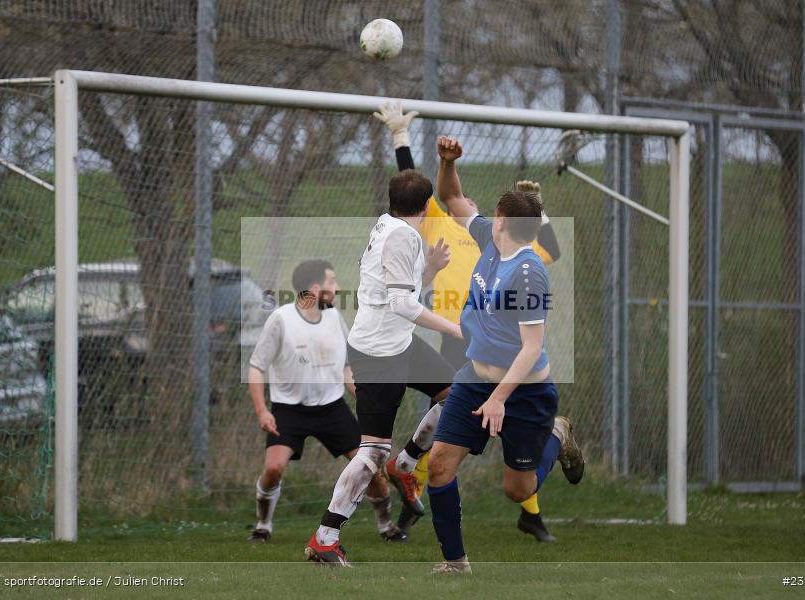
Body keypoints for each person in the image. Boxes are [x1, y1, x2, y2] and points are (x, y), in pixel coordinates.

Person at [373, 101, 583, 543]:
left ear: (504, 222)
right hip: (464, 345)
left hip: (516, 370)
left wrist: (538, 208)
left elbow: (551, 252)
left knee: (515, 483)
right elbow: (433, 193)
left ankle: (541, 466)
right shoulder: (465, 229)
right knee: (448, 432)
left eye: (485, 207)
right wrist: (421, 149)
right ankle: (426, 502)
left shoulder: (525, 263)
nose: (471, 204)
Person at [304, 169, 462, 566]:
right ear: (427, 205)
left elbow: (399, 290)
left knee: (454, 394)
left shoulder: (388, 224)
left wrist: (431, 271)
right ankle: (325, 536)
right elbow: (404, 305)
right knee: (372, 452)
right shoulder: (403, 236)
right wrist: (456, 329)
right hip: (378, 353)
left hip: (399, 343)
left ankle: (407, 463)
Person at [425, 135, 567, 573]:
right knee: (439, 467)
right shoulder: (490, 237)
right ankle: (456, 564)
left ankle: (556, 434)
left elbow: (532, 348)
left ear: (502, 220)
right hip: (474, 379)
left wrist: (500, 398)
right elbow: (449, 196)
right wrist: (446, 161)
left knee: (518, 490)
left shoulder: (528, 273)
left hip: (523, 392)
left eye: (493, 212)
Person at [247, 260, 402, 542]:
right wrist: (261, 410)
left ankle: (387, 526)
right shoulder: (281, 319)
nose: (337, 288)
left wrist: (365, 394)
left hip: (332, 409)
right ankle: (263, 525)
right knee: (273, 469)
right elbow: (256, 366)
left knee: (371, 468)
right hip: (289, 410)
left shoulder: (333, 318)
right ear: (315, 288)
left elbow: (344, 367)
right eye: (332, 282)